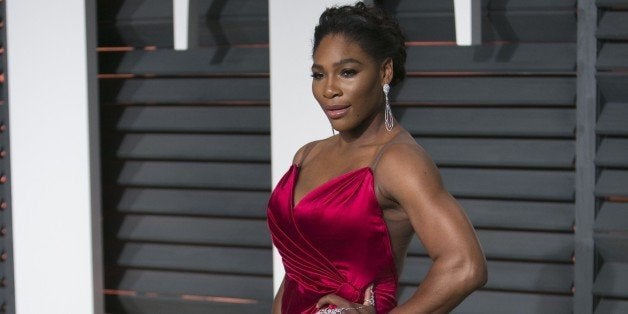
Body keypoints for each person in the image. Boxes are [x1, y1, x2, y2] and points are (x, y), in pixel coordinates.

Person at [267, 2, 487, 313]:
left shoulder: (398, 161)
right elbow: (299, 272)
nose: (329, 89)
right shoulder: (308, 153)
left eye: (347, 72)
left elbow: (465, 265)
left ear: (384, 71)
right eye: (319, 74)